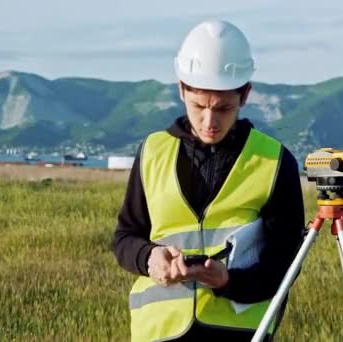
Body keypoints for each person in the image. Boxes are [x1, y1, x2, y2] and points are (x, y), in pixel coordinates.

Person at [113, 19, 305, 341]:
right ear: (181, 90)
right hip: (159, 331)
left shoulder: (275, 161)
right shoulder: (152, 152)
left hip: (238, 331)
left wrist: (228, 281)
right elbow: (125, 237)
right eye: (198, 105)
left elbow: (285, 264)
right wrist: (149, 258)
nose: (210, 121)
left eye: (223, 108)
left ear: (245, 95)